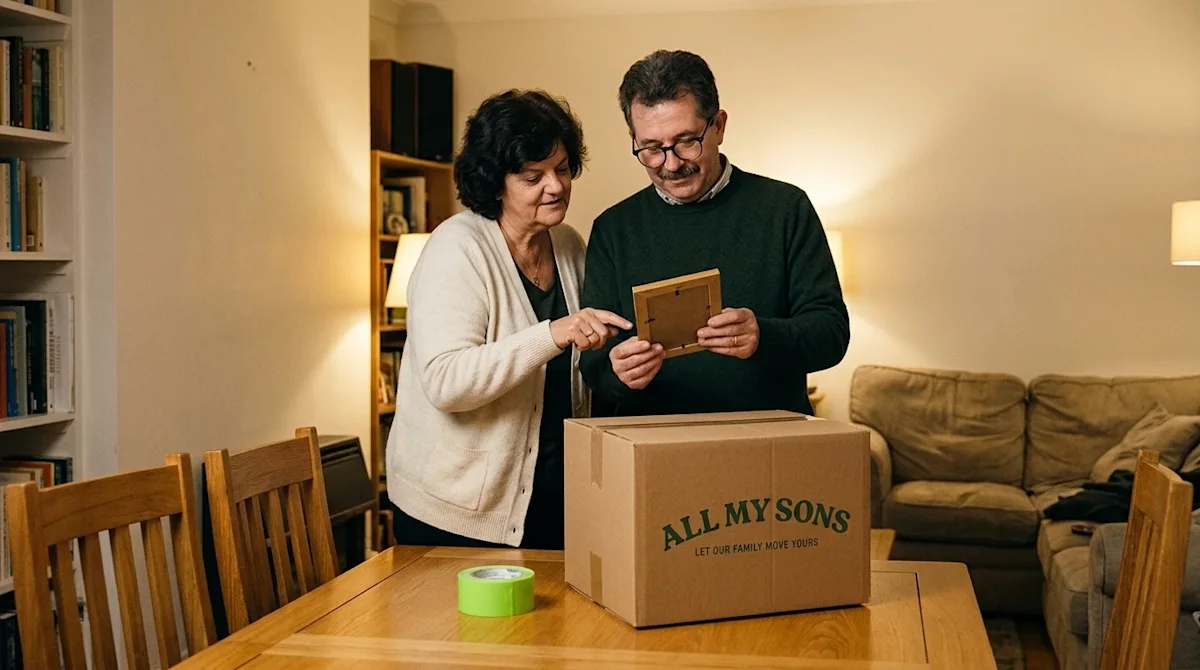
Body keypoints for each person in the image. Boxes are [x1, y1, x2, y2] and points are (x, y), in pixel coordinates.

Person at [386, 90, 631, 549]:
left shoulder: (570, 245)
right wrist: (553, 334)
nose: (555, 186)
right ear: (496, 182)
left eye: (561, 169)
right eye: (532, 176)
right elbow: (445, 382)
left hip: (551, 501)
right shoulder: (455, 249)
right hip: (455, 512)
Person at [579, 50, 849, 417]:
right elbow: (593, 367)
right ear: (634, 138)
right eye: (652, 149)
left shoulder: (785, 208)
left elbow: (831, 334)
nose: (671, 164)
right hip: (651, 451)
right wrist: (617, 372)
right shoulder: (613, 229)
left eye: (687, 141)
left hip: (768, 445)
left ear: (719, 125)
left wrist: (763, 337)